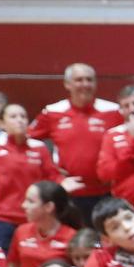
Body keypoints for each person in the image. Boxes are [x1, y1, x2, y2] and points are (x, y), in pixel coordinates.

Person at [0, 101, 65, 251]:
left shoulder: (39, 147)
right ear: (1, 123)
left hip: (32, 218)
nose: (20, 120)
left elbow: (52, 177)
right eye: (13, 116)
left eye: (23, 116)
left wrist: (64, 183)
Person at [29, 63, 124, 217]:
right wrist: (51, 169)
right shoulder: (53, 112)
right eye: (79, 80)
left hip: (106, 192)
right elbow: (27, 142)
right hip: (68, 192)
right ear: (67, 84)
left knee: (103, 240)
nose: (85, 84)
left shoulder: (113, 111)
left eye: (89, 80)